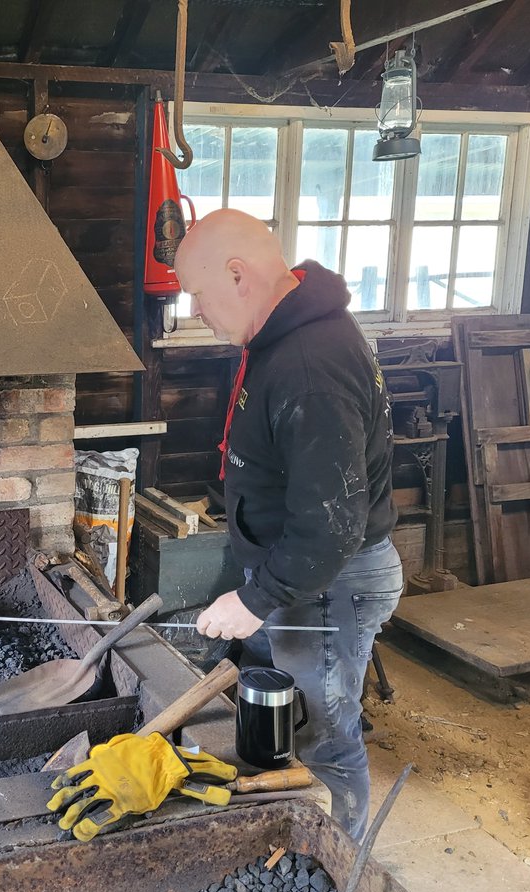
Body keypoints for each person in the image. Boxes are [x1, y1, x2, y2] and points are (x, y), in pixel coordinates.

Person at [174, 209, 401, 841]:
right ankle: (282, 835)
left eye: (196, 292)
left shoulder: (309, 366)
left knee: (324, 733)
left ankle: (342, 864)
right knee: (277, 702)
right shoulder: (285, 336)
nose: (195, 311)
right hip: (305, 571)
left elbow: (331, 525)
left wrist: (255, 599)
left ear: (238, 275)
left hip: (330, 577)